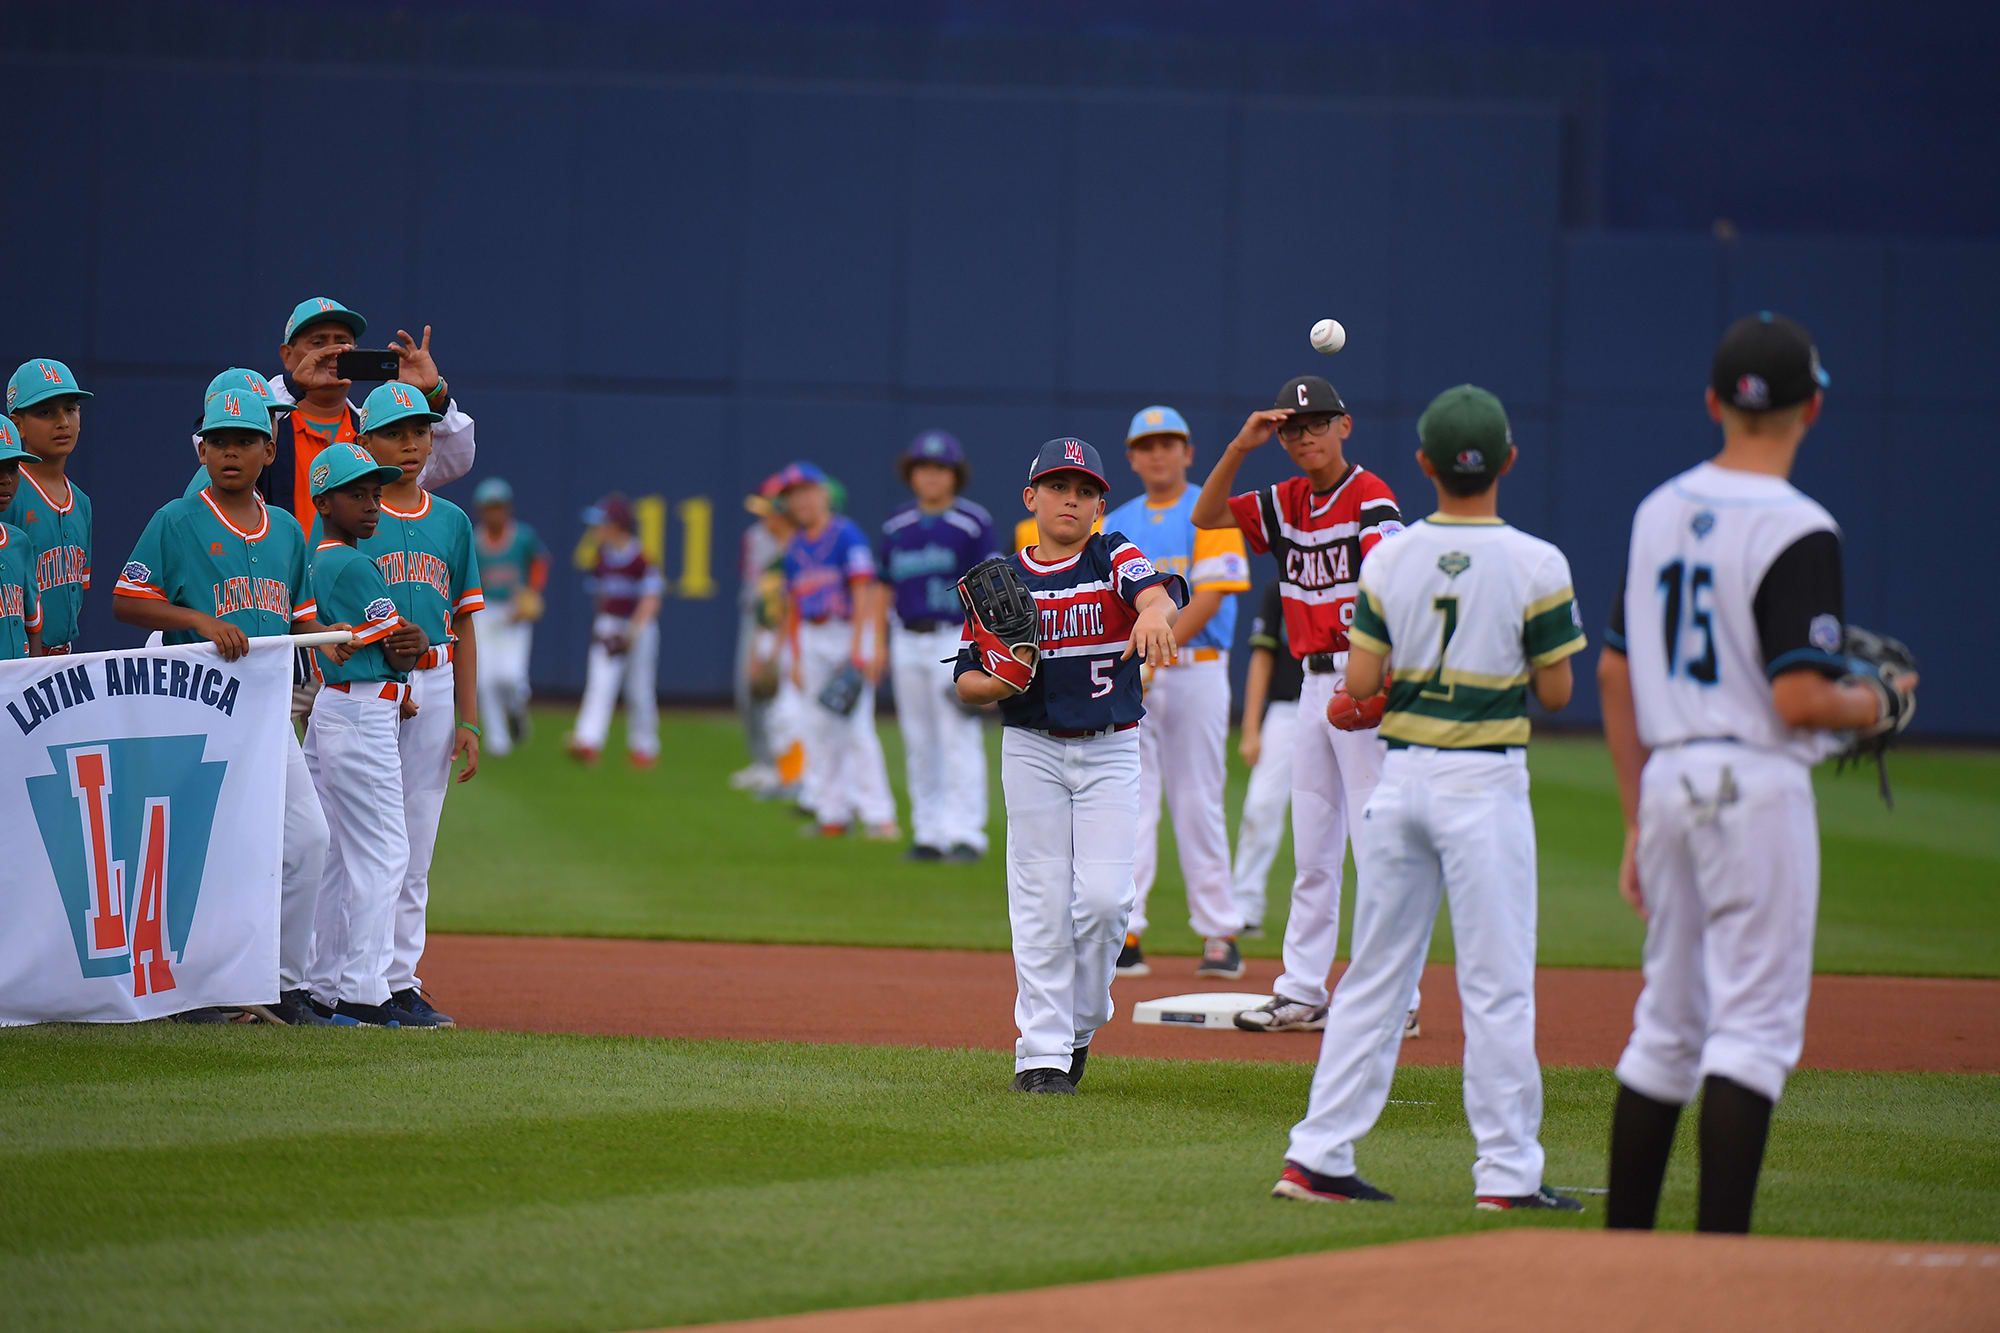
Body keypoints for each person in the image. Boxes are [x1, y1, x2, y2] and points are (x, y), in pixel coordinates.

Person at [1601, 314, 1917, 1234]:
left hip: (1667, 780)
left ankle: (1625, 1257)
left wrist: (1633, 818)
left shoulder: (1657, 509)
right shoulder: (1800, 525)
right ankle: (1719, 1265)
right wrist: (1883, 702)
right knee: (1752, 1029)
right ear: (1812, 407)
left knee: (1666, 1024)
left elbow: (1616, 671)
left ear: (1712, 403)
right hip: (1757, 784)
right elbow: (1802, 700)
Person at [1271, 384, 1587, 1211]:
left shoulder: (1391, 557)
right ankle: (1508, 1174)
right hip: (1482, 784)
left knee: (1373, 976)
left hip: (1402, 782)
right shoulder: (1538, 561)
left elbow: (1362, 683)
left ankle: (1316, 1155)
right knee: (1496, 983)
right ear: (1509, 461)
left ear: (1423, 464)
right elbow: (1556, 689)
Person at [111, 382, 362, 1027]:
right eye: (219, 441)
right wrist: (196, 617)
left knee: (307, 841)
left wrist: (324, 645)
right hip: (193, 710)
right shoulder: (176, 518)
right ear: (201, 449)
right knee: (200, 849)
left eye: (244, 441)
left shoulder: (284, 528)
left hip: (265, 712)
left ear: (269, 449)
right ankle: (191, 989)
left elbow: (299, 611)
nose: (230, 453)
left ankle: (280, 985)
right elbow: (126, 600)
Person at [1191, 376, 1422, 1037]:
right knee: (1314, 848)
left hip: (1365, 679)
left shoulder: (1370, 495)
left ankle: (1397, 997)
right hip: (1312, 688)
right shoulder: (1285, 499)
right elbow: (1205, 516)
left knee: (1379, 848)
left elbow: (1392, 580)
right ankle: (1302, 990)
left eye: (1316, 422)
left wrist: (1381, 674)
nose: (1303, 436)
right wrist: (1240, 445)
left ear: (1344, 426)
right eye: (1292, 427)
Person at [954, 438, 1185, 1094]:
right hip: (1032, 747)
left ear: (1099, 505)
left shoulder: (1111, 555)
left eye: (1083, 490)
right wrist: (1001, 681)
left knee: (1108, 902)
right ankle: (1042, 1051)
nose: (1070, 499)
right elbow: (968, 680)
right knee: (1040, 903)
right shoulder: (1000, 580)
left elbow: (1156, 596)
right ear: (1031, 498)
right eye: (1058, 487)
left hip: (1112, 745)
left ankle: (1081, 1022)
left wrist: (1152, 616)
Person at [349, 382, 482, 1028]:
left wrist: (468, 718)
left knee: (415, 845)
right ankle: (347, 976)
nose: (410, 443)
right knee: (358, 840)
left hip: (432, 685)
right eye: (395, 431)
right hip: (368, 687)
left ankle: (399, 979)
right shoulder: (356, 518)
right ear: (364, 440)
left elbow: (466, 623)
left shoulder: (451, 521)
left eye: (420, 430)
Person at [1106, 406, 1252, 978]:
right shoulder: (1117, 521)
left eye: (1169, 443)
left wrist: (1152, 652)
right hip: (1133, 669)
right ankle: (1127, 930)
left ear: (1188, 452)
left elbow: (1211, 595)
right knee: (1129, 801)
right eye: (1148, 445)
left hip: (1195, 668)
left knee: (1198, 798)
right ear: (1132, 457)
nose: (1159, 453)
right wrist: (1139, 659)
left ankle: (1219, 933)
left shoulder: (1209, 509)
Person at [300, 442, 430, 1027]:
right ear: (324, 501)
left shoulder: (317, 558)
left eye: (376, 493)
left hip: (337, 705)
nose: (372, 504)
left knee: (332, 854)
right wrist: (418, 641)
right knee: (384, 852)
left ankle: (321, 982)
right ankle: (363, 991)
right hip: (359, 710)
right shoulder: (350, 563)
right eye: (357, 494)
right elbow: (400, 637)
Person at [879, 430, 998, 862]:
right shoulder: (896, 526)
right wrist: (876, 644)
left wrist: (986, 650)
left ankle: (966, 833)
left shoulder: (972, 522)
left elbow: (989, 588)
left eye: (940, 469)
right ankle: (929, 832)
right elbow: (882, 586)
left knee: (958, 735)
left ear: (954, 475)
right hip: (907, 637)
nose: (931, 476)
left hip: (956, 637)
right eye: (924, 468)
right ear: (911, 474)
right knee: (917, 738)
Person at [779, 462, 897, 839]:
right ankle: (832, 813)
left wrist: (859, 647)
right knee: (818, 728)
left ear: (823, 494)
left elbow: (864, 591)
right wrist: (795, 657)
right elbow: (793, 606)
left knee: (857, 727)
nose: (801, 500)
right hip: (813, 638)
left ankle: (879, 816)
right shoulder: (794, 547)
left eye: (807, 492)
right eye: (794, 495)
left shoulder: (847, 535)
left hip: (848, 630)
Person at [1231, 579, 1306, 936]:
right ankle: (1245, 907)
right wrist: (1250, 728)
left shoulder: (1366, 573)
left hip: (1350, 706)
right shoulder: (1281, 583)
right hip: (1286, 711)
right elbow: (1262, 657)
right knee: (1260, 807)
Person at [4, 359, 92, 655]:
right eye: (45, 411)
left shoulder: (81, 501)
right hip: (17, 662)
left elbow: (78, 591)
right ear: (17, 425)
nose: (63, 422)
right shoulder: (8, 494)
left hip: (63, 657)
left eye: (70, 408)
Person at [567, 494, 663, 767]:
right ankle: (587, 741)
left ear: (617, 525)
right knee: (600, 684)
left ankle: (644, 747)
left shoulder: (640, 558)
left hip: (638, 627)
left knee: (640, 689)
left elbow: (651, 599)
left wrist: (631, 633)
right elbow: (601, 597)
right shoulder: (602, 557)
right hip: (610, 624)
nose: (596, 529)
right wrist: (602, 627)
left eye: (602, 523)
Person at [471, 478, 548, 758]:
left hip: (515, 609)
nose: (495, 513)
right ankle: (498, 739)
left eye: (499, 507)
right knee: (485, 679)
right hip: (485, 609)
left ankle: (517, 712)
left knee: (511, 677)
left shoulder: (522, 536)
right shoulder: (475, 538)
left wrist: (532, 591)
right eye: (490, 507)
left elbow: (539, 562)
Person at [732, 473, 795, 794]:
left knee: (786, 704)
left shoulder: (799, 542)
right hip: (759, 620)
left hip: (787, 627)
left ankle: (788, 771)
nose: (764, 516)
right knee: (749, 690)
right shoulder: (755, 537)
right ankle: (764, 762)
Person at [0, 420, 45, 659]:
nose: (6, 479)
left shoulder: (19, 542)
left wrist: (34, 677)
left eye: (12, 467)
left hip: (18, 689)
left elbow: (33, 624)